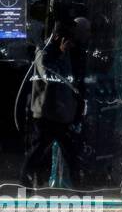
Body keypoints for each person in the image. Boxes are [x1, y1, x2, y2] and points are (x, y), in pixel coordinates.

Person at [23, 17, 89, 190]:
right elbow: (49, 75)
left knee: (69, 153)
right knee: (38, 151)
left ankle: (78, 188)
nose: (71, 45)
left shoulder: (67, 53)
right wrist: (60, 53)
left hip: (61, 114)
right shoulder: (44, 51)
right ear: (60, 38)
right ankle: (25, 183)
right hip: (46, 114)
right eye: (69, 41)